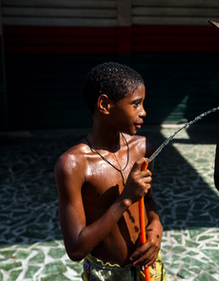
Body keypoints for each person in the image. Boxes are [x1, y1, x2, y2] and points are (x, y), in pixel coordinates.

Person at [54, 62, 166, 281]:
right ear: (105, 104)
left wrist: (156, 228)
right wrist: (124, 200)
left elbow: (148, 201)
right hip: (104, 275)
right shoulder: (73, 165)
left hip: (148, 270)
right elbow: (76, 249)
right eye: (136, 104)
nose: (144, 112)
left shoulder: (142, 148)